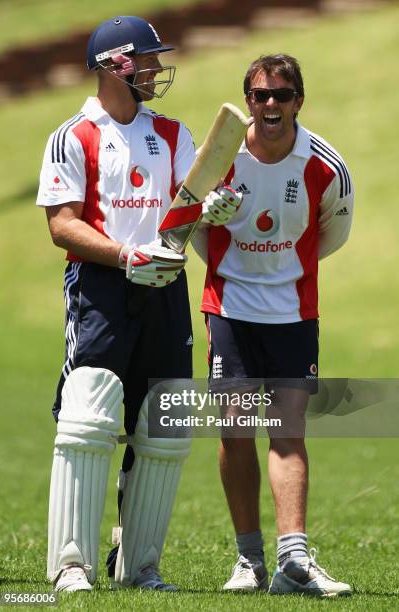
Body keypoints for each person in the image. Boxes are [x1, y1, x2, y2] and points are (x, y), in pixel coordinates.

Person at [36, 15, 238, 593]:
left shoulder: (172, 134)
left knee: (167, 419)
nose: (155, 68)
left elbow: (186, 203)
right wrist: (127, 256)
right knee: (89, 412)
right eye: (146, 59)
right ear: (113, 65)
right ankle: (71, 567)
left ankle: (140, 565)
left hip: (166, 287)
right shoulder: (73, 135)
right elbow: (61, 226)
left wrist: (213, 207)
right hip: (101, 287)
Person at [198, 54, 354, 597]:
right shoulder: (219, 155)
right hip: (230, 311)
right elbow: (180, 224)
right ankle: (249, 561)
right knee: (235, 433)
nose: (270, 105)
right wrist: (204, 215)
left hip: (292, 313)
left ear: (298, 101)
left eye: (281, 95)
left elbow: (334, 232)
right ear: (248, 101)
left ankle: (292, 561)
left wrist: (286, 269)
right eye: (260, 95)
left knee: (289, 434)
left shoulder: (325, 164)